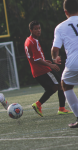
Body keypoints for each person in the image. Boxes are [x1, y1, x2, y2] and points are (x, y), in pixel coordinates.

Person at [24, 20, 72, 117]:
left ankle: (38, 104)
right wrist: (50, 65)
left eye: (39, 28)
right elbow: (36, 59)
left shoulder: (28, 40)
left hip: (37, 70)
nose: (38, 30)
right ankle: (62, 108)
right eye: (36, 29)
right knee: (61, 84)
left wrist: (45, 61)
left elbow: (35, 58)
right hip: (43, 70)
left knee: (53, 88)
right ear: (31, 30)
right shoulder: (34, 42)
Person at [51, 0, 78, 128]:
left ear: (65, 12)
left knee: (66, 85)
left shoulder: (60, 27)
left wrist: (55, 58)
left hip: (73, 63)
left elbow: (55, 49)